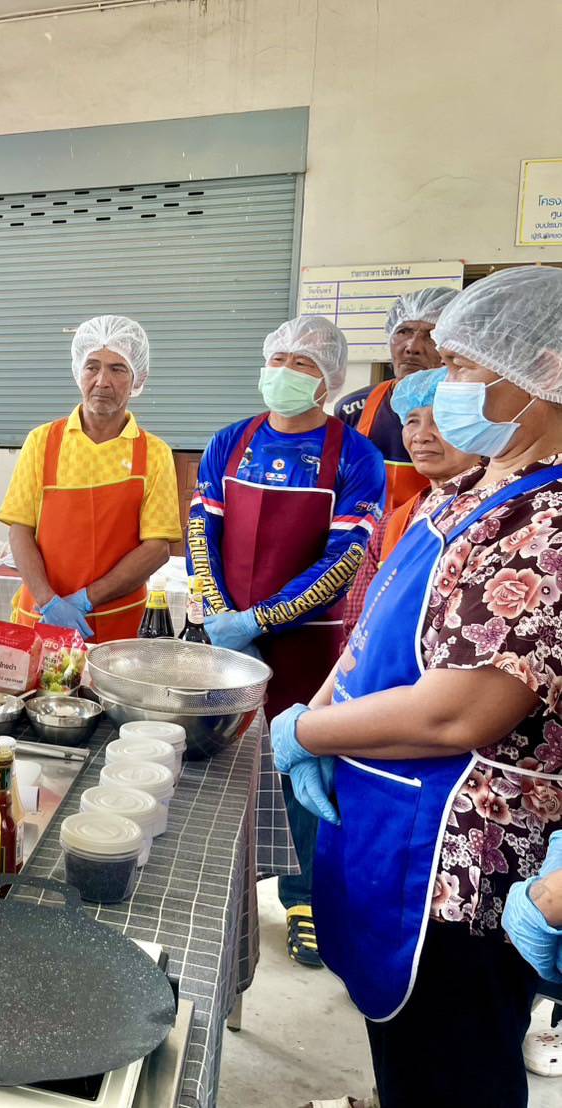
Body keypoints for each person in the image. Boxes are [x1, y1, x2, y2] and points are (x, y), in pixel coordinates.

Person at [274, 266, 562, 1107]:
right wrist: (320, 709)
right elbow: (371, 636)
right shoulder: (477, 487)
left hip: (456, 859)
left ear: (543, 374)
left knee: (453, 1072)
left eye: (467, 371)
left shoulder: (545, 524)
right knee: (407, 1061)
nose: (445, 390)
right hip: (388, 821)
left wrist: (306, 734)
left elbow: (461, 712)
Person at [186, 315, 385, 968]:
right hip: (224, 634)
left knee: (302, 761)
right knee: (217, 759)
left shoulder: (354, 456)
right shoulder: (230, 440)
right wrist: (219, 609)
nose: (283, 373)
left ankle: (303, 900)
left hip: (306, 643)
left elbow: (344, 559)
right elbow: (200, 531)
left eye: (300, 364)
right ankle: (215, 877)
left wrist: (261, 620)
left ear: (327, 380)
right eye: (276, 358)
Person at [0, 315, 181, 640]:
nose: (102, 381)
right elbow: (20, 529)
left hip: (120, 627)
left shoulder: (154, 452)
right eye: (92, 366)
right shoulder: (42, 442)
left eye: (117, 369)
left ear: (139, 378)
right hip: (43, 619)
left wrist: (85, 600)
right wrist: (49, 600)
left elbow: (156, 548)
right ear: (78, 372)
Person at [341, 367, 482, 638]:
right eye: (412, 420)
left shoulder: (502, 516)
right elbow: (357, 626)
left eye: (441, 420)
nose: (421, 435)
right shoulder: (391, 524)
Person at [336, 287, 459, 513]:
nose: (412, 347)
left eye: (431, 336)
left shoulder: (472, 409)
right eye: (403, 331)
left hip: (435, 536)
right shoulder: (354, 407)